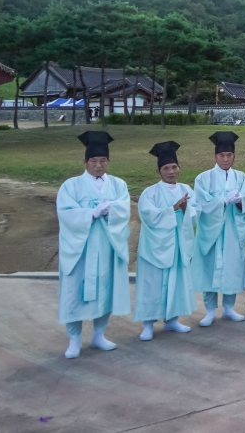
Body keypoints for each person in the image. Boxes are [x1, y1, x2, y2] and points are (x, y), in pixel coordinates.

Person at [56, 131, 131, 359]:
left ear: (108, 161)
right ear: (85, 162)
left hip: (107, 247)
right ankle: (74, 339)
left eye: (103, 161)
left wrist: (112, 211)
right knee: (74, 292)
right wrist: (91, 212)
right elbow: (65, 213)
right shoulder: (71, 186)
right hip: (81, 249)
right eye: (93, 161)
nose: (98, 165)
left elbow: (125, 208)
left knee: (105, 291)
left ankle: (99, 335)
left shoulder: (118, 185)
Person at [134, 141, 198, 340]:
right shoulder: (150, 193)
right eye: (166, 168)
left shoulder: (186, 189)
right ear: (158, 170)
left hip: (178, 246)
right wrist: (173, 209)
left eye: (174, 167)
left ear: (179, 168)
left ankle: (171, 320)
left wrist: (186, 208)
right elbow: (147, 216)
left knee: (175, 282)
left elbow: (196, 214)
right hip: (155, 248)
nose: (171, 172)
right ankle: (147, 324)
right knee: (152, 284)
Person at [191, 131, 245, 327]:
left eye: (229, 155)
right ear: (215, 157)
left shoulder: (241, 177)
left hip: (232, 231)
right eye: (222, 155)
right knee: (210, 269)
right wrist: (222, 201)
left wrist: (239, 202)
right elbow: (201, 203)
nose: (226, 159)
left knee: (231, 269)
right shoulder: (203, 178)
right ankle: (210, 310)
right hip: (212, 232)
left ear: (234, 156)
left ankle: (228, 308)